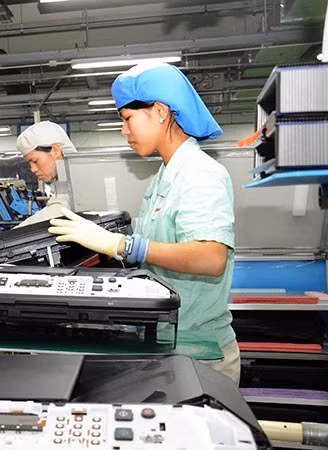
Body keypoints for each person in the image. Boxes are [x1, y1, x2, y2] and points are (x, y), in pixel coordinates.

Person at [47, 63, 239, 384]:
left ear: (161, 112)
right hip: (169, 344)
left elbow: (211, 258)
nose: (124, 131)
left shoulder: (199, 173)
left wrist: (123, 245)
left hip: (201, 356)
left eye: (127, 119)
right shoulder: (164, 176)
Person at [14, 121, 77, 227]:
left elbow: (58, 212)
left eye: (35, 161)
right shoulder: (64, 180)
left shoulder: (77, 179)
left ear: (56, 151)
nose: (33, 169)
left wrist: (5, 239)